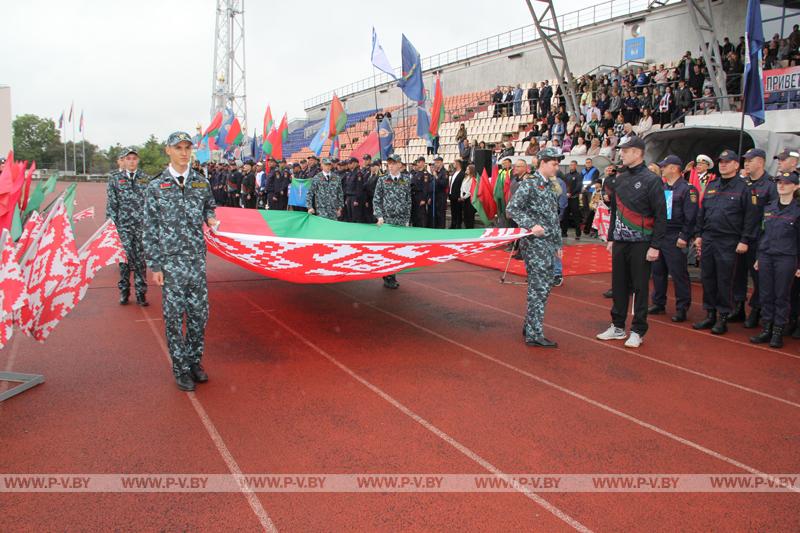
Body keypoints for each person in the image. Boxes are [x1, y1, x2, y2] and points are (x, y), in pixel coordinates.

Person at [142, 132, 219, 392]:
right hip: (171, 263)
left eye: (188, 148)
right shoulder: (156, 186)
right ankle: (180, 368)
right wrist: (155, 265)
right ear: (168, 151)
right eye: (179, 148)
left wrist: (210, 217)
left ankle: (195, 362)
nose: (184, 152)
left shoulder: (201, 182)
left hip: (196, 260)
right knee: (174, 318)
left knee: (199, 315)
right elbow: (149, 227)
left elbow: (210, 206)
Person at [596, 136, 666, 348]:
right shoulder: (620, 177)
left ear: (637, 153)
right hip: (620, 241)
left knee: (640, 287)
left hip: (642, 242)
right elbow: (615, 210)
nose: (622, 154)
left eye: (625, 151)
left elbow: (661, 215)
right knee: (618, 285)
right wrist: (611, 237)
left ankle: (637, 330)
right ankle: (617, 326)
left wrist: (655, 245)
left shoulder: (651, 179)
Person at [692, 150, 759, 334]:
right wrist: (699, 234)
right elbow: (702, 212)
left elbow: (751, 217)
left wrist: (745, 240)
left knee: (725, 280)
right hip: (709, 238)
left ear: (736, 165)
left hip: (729, 240)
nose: (723, 164)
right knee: (708, 277)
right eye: (721, 162)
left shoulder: (744, 188)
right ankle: (710, 314)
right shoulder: (713, 185)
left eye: (727, 162)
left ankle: (723, 316)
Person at [506, 147, 564, 348]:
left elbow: (553, 218)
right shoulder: (530, 184)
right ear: (542, 163)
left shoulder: (549, 185)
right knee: (538, 288)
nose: (557, 167)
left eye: (557, 163)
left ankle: (530, 325)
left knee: (544, 287)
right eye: (553, 163)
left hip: (548, 244)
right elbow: (512, 209)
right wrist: (531, 225)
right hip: (535, 244)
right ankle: (534, 333)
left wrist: (558, 244)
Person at [750, 172, 800, 348]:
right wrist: (758, 257)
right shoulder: (769, 208)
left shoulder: (797, 211)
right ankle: (767, 327)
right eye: (779, 182)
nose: (782, 185)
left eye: (787, 183)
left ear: (795, 187)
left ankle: (778, 331)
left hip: (786, 258)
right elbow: (762, 234)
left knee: (781, 295)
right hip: (766, 255)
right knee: (765, 294)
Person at [649, 155, 698, 322]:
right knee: (658, 271)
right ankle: (658, 302)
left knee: (678, 274)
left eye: (665, 166)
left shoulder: (687, 189)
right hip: (661, 234)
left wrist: (684, 236)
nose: (662, 169)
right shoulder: (662, 187)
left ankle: (682, 307)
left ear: (674, 168)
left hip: (675, 235)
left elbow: (691, 216)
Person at [734, 148, 777, 328]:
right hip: (739, 236)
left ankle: (756, 309)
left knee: (759, 278)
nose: (747, 163)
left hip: (759, 239)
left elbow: (772, 215)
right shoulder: (743, 184)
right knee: (738, 274)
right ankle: (738, 307)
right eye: (745, 160)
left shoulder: (771, 185)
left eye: (750, 160)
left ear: (760, 162)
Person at [106, 147, 151, 306]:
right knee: (124, 261)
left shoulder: (146, 179)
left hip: (141, 227)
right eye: (128, 158)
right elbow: (111, 205)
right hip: (123, 227)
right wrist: (111, 227)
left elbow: (151, 204)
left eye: (134, 158)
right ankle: (124, 291)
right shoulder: (115, 179)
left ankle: (141, 294)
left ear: (138, 160)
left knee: (140, 262)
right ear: (123, 161)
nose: (131, 161)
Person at [373, 154, 412, 289]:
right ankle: (388, 276)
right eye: (389, 163)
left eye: (393, 163)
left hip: (401, 220)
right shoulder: (383, 180)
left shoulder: (406, 180)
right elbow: (376, 200)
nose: (390, 165)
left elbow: (408, 201)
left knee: (398, 249)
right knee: (388, 249)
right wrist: (379, 216)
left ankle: (392, 273)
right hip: (387, 220)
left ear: (400, 165)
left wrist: (407, 219)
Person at [562, 160, 583, 239]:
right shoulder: (566, 175)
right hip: (566, 198)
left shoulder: (579, 175)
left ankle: (578, 234)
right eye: (570, 165)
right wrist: (566, 193)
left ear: (576, 166)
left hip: (574, 198)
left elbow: (578, 186)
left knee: (576, 216)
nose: (572, 166)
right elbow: (563, 185)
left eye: (573, 165)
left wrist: (571, 193)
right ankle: (564, 232)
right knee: (565, 216)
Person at [448, 159, 465, 228]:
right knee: (453, 211)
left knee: (458, 212)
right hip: (452, 195)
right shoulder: (454, 172)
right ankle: (453, 224)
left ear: (458, 164)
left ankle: (458, 225)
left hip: (458, 196)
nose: (453, 164)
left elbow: (462, 186)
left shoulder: (462, 174)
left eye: (454, 163)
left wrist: (460, 196)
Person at [460, 165, 477, 229]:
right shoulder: (465, 178)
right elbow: (461, 188)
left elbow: (471, 190)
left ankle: (470, 228)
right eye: (466, 169)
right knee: (465, 215)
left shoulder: (473, 179)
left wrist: (464, 197)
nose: (466, 170)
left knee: (470, 215)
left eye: (468, 169)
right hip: (464, 197)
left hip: (469, 198)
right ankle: (466, 227)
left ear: (471, 170)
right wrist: (461, 195)